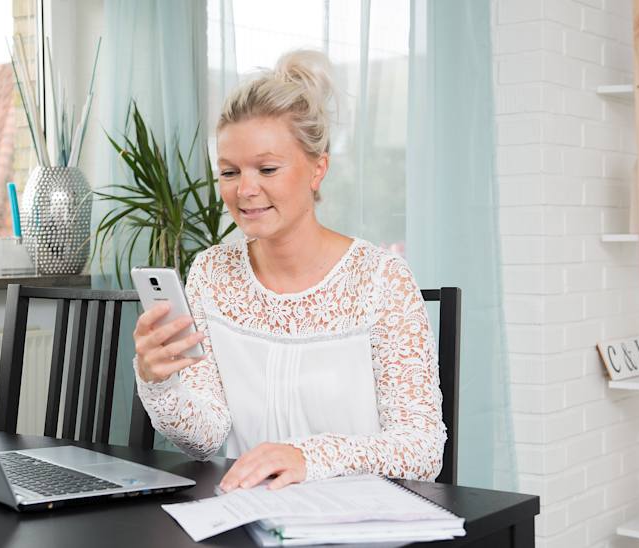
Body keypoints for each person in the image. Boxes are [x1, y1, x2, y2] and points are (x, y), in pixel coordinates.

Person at [132, 50, 446, 492]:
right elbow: (206, 439)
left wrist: (307, 457)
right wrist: (159, 382)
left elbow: (422, 450)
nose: (245, 190)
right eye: (229, 172)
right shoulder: (211, 273)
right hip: (245, 514)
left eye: (267, 169)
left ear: (318, 169)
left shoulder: (382, 279)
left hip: (355, 516)